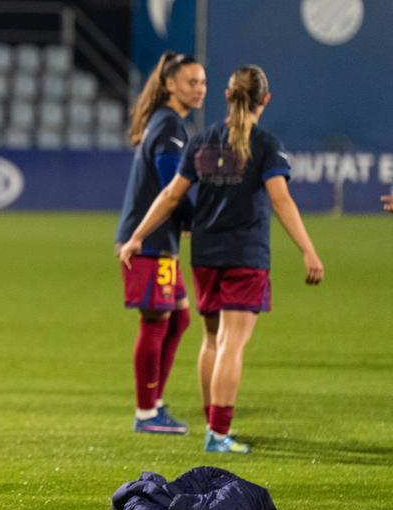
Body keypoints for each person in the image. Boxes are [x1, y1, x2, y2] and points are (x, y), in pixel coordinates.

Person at [119, 65, 324, 454]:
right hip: (246, 255)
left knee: (212, 339)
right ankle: (218, 432)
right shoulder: (265, 145)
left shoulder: (202, 142)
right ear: (265, 99)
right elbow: (280, 200)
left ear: (227, 96)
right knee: (233, 344)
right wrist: (308, 250)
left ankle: (212, 421)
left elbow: (171, 196)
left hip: (205, 256)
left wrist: (137, 236)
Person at [114, 52, 206, 435]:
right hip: (148, 242)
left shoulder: (167, 123)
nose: (199, 89)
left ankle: (154, 402)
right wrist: (197, 219)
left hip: (159, 239)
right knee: (155, 322)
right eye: (191, 82)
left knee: (179, 318)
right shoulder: (169, 128)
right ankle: (146, 413)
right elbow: (174, 190)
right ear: (170, 85)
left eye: (202, 82)